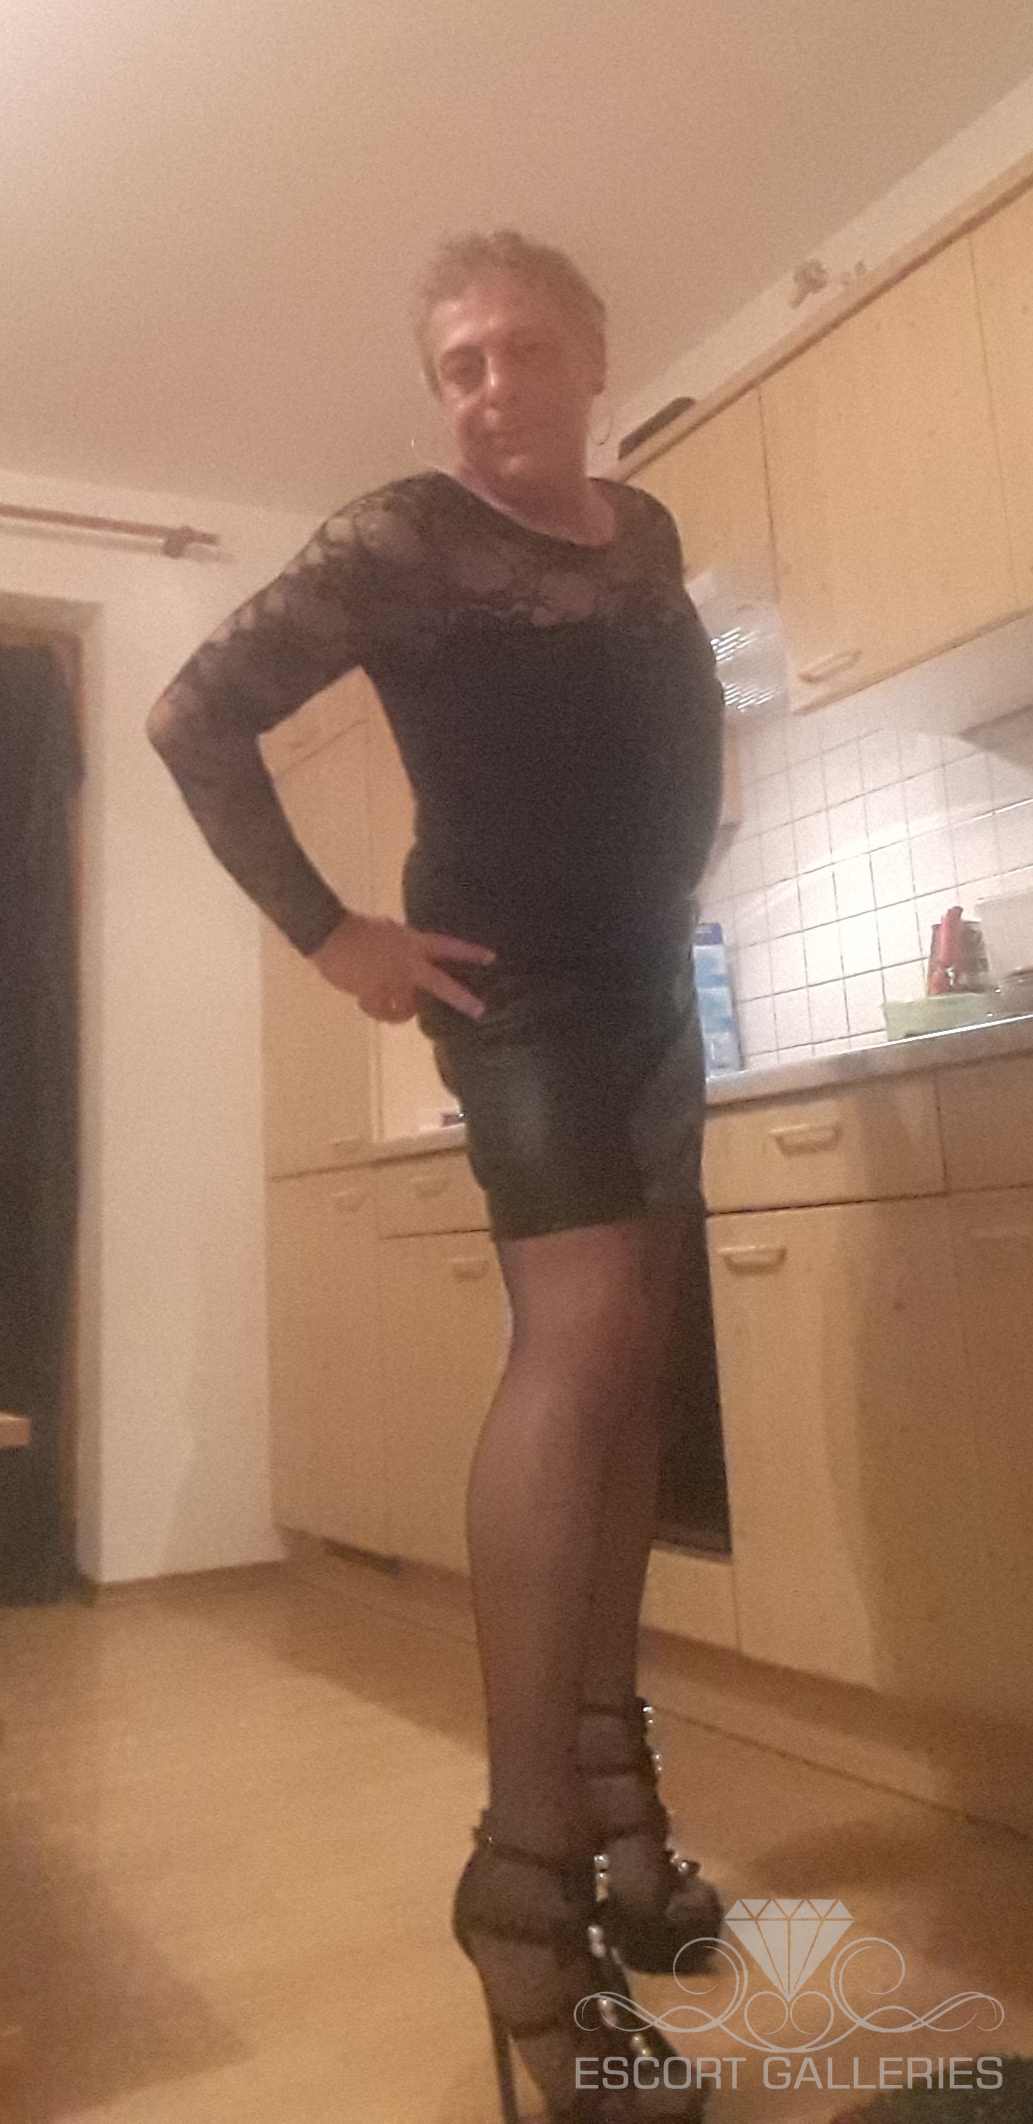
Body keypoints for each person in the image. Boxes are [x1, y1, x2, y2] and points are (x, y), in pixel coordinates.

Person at [146, 228, 726, 2123]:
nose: (488, 388)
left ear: (592, 356)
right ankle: (522, 1898)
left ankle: (620, 1809)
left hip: (648, 987)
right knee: (582, 1342)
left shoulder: (642, 536)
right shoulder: (406, 536)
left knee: (630, 1366)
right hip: (517, 991)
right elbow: (191, 715)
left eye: (520, 349)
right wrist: (334, 934)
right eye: (458, 363)